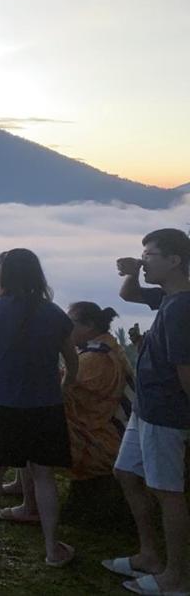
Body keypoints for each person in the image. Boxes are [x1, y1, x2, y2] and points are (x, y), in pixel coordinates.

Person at [0, 248, 78, 567]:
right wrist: (63, 388)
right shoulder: (55, 315)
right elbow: (72, 361)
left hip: (4, 404)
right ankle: (53, 550)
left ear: (4, 276)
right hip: (46, 406)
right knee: (44, 476)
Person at [102, 228, 190, 595]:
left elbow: (186, 370)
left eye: (149, 255)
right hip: (147, 408)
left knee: (168, 492)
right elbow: (130, 294)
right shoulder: (169, 298)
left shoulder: (181, 308)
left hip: (167, 413)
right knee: (126, 472)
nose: (143, 259)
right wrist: (132, 271)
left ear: (174, 260)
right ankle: (149, 554)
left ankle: (176, 577)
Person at [0, 301, 133, 521]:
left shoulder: (96, 359)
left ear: (89, 326)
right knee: (30, 419)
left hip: (101, 440)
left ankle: (31, 507)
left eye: (69, 324)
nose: (64, 329)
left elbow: (58, 391)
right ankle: (21, 485)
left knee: (30, 428)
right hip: (103, 429)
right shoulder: (102, 348)